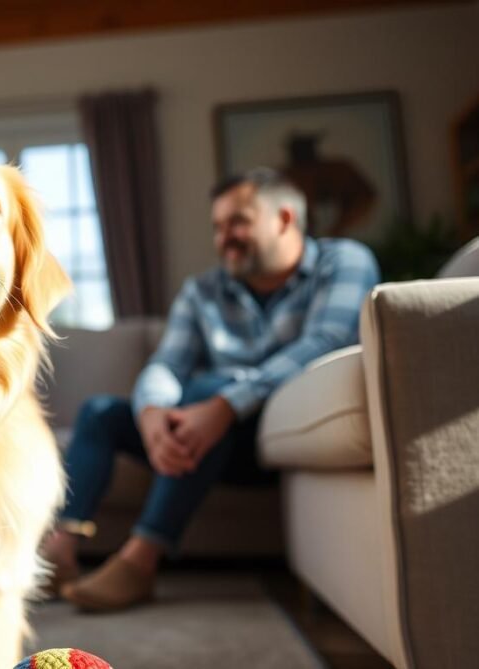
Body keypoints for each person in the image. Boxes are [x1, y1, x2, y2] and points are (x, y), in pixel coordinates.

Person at [42, 167, 381, 611]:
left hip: (277, 438)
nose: (224, 238)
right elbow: (166, 364)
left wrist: (224, 404)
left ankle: (140, 560)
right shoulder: (203, 291)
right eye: (218, 227)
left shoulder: (345, 262)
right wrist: (151, 414)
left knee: (209, 385)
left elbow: (327, 342)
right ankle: (59, 553)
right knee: (101, 412)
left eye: (238, 222)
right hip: (204, 439)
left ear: (284, 218)